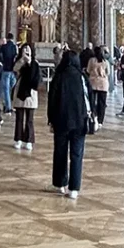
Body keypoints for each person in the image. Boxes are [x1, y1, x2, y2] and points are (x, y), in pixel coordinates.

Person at [47, 49, 88, 199]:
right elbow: (89, 98)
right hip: (79, 121)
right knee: (77, 154)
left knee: (60, 152)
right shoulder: (82, 77)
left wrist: (50, 119)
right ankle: (74, 189)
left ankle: (60, 184)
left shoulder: (59, 76)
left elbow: (52, 100)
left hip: (61, 121)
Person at [12, 42, 40, 149]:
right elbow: (15, 69)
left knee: (29, 119)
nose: (26, 51)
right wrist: (22, 60)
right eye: (24, 49)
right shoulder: (19, 61)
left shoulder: (35, 63)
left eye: (28, 49)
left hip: (30, 93)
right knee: (19, 118)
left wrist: (30, 62)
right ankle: (18, 139)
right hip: (20, 91)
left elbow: (35, 76)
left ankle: (29, 140)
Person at [87, 46, 109, 125]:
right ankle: (100, 121)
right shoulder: (105, 61)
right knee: (102, 103)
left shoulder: (91, 60)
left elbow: (88, 70)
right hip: (103, 83)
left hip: (93, 82)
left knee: (92, 101)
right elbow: (108, 72)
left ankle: (94, 116)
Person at [1, 32, 18, 115]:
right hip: (12, 70)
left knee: (6, 90)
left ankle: (8, 107)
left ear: (7, 38)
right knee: (11, 88)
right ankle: (8, 104)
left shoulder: (3, 47)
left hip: (5, 70)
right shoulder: (14, 47)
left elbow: (1, 57)